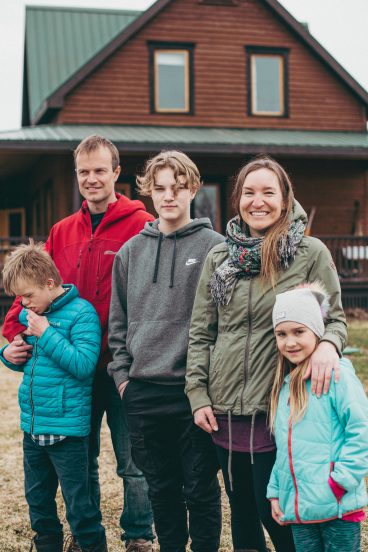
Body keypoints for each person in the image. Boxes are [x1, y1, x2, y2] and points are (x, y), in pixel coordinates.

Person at [185, 156, 347, 552]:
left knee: (273, 508)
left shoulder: (310, 253)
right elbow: (202, 333)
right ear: (238, 198)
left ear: (285, 198)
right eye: (249, 192)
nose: (258, 202)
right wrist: (198, 395)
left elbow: (337, 320)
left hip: (282, 407)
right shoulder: (219, 258)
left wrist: (327, 344)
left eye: (268, 192)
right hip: (224, 408)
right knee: (241, 509)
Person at [1, 135, 154, 552]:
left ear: (116, 173)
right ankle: (84, 533)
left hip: (122, 366)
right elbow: (30, 289)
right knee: (80, 460)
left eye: (99, 170)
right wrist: (12, 336)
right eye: (83, 172)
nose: (91, 178)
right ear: (76, 176)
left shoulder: (141, 226)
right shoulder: (61, 231)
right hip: (71, 373)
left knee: (133, 462)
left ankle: (138, 534)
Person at [107, 150, 224, 552]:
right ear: (149, 192)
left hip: (194, 395)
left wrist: (208, 384)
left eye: (177, 187)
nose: (168, 196)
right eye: (159, 188)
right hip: (143, 393)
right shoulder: (129, 254)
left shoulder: (216, 248)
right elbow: (117, 325)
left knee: (201, 488)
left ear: (193, 188)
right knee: (162, 489)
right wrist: (124, 381)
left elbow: (222, 324)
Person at [0, 241, 106, 552]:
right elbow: (29, 360)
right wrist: (8, 354)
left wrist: (47, 333)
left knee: (80, 507)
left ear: (49, 284)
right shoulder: (31, 314)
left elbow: (84, 366)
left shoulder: (81, 314)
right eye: (19, 298)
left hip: (67, 432)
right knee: (39, 504)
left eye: (28, 296)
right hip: (32, 427)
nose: (24, 303)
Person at [268, 284, 368, 552]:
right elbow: (284, 450)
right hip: (301, 512)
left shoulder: (339, 375)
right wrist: (276, 492)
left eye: (298, 331)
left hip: (337, 508)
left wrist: (341, 482)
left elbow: (361, 430)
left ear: (317, 330)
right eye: (281, 334)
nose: (289, 342)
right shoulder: (286, 385)